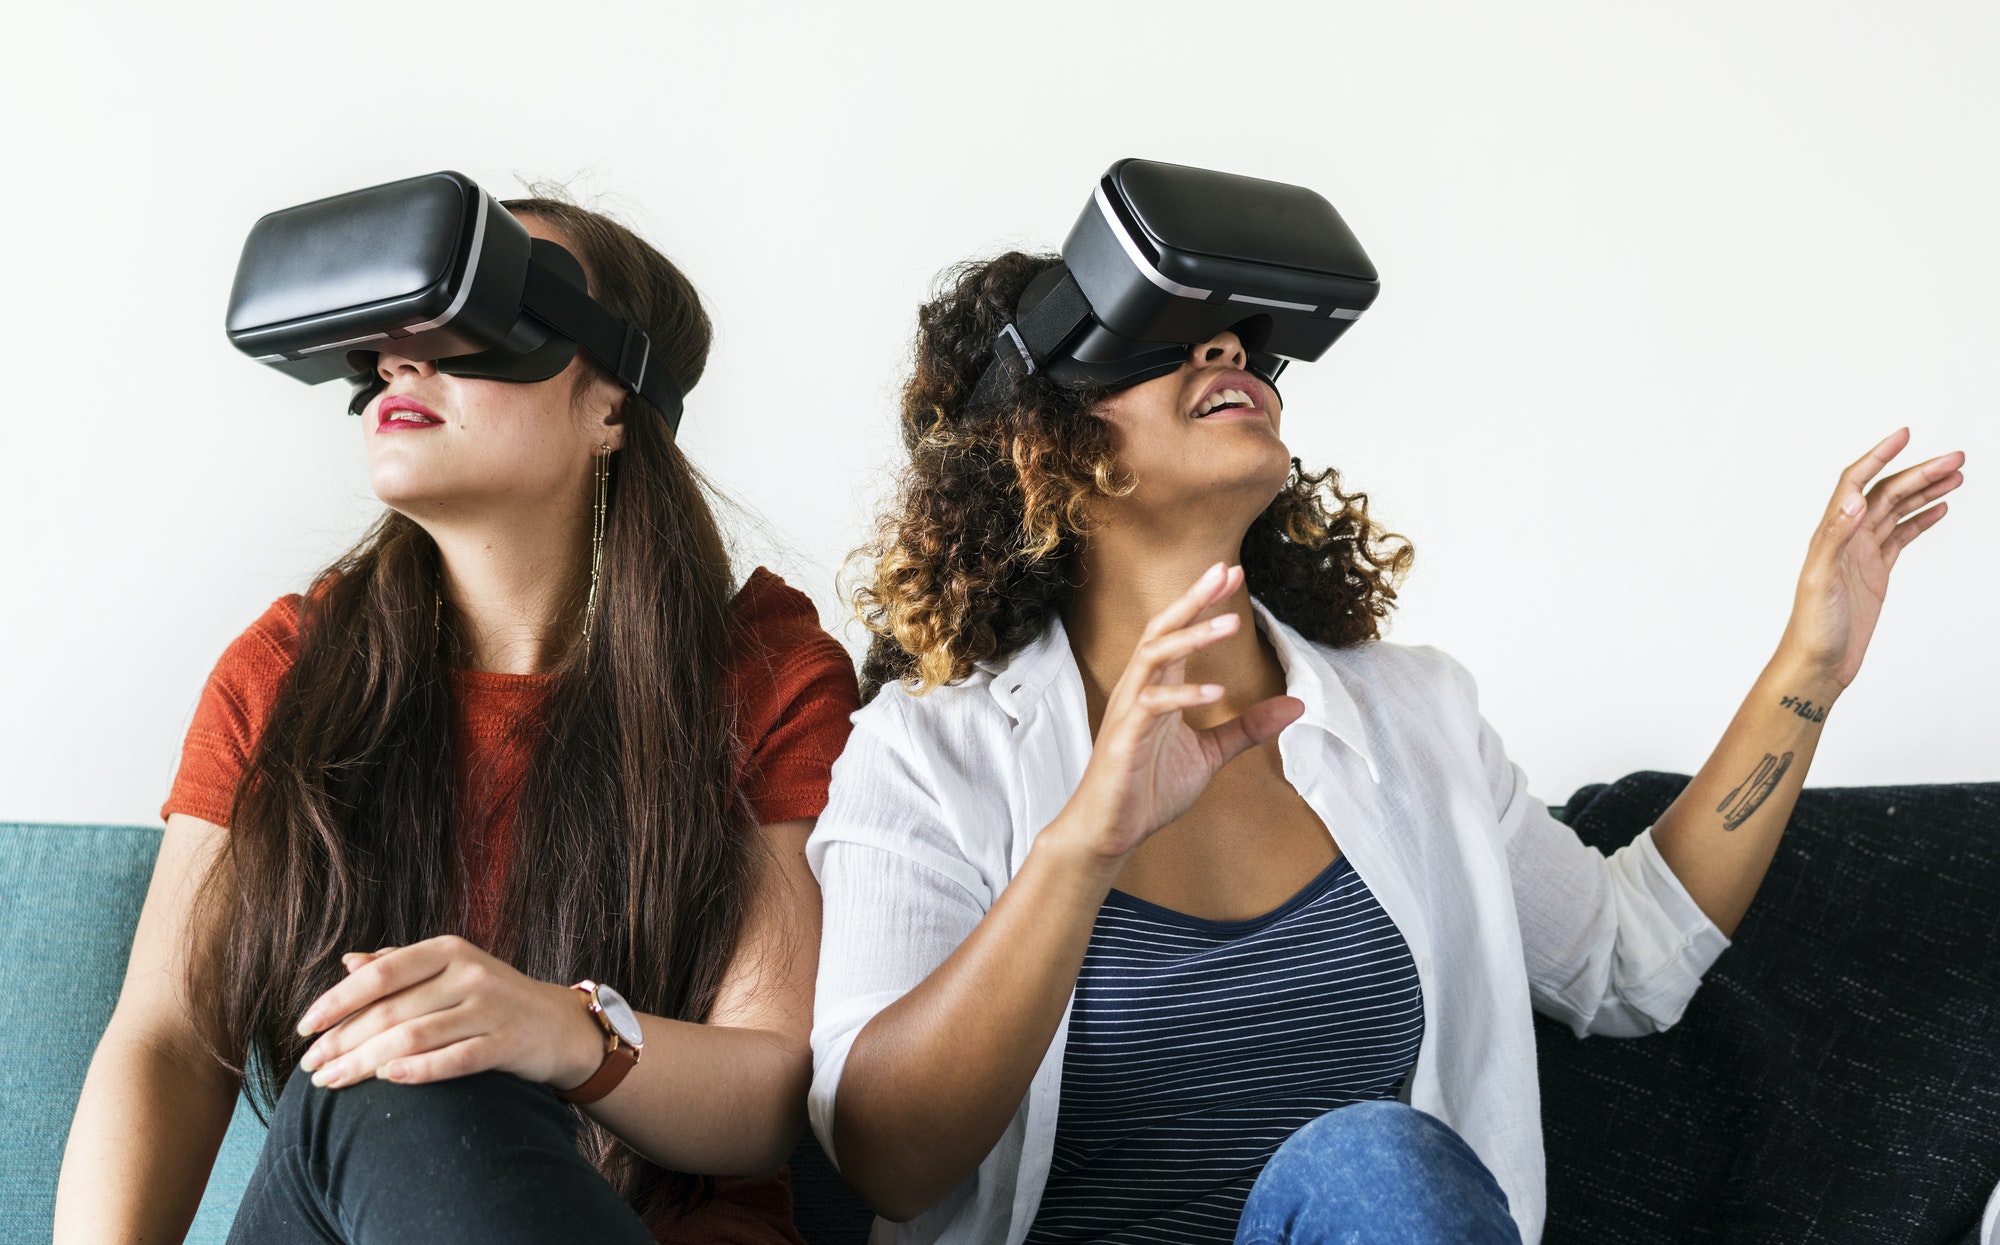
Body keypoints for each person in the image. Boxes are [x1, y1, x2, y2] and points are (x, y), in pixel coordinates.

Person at [806, 250, 1965, 1244]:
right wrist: (1079, 849)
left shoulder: (1412, 718)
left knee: (1370, 1164)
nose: (1227, 353)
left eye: (1237, 343)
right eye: (1165, 339)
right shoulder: (923, 758)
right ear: (1049, 442)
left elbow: (1629, 962)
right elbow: (887, 1163)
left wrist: (1808, 668)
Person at [54, 195, 860, 1244]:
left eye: (476, 317)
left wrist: (558, 1030)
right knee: (394, 1068)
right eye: (392, 333)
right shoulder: (285, 676)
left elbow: (763, 1094)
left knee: (418, 1060)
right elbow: (165, 1042)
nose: (401, 359)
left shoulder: (762, 677)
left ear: (610, 405)